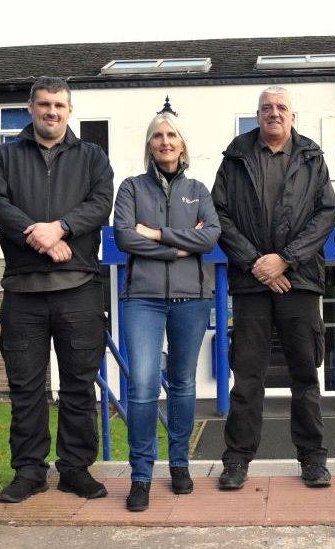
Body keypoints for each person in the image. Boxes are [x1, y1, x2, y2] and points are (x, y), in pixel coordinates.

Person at [0, 77, 114, 504]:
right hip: (23, 290)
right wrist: (34, 234)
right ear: (30, 108)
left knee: (79, 385)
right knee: (26, 387)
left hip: (79, 286)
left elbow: (100, 203)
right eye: (43, 105)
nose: (51, 112)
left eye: (59, 105)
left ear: (69, 110)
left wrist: (61, 227)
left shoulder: (93, 156)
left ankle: (76, 469)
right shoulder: (3, 156)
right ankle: (29, 471)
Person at [211, 86, 335, 490]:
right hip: (250, 285)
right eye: (267, 108)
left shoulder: (312, 157)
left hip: (299, 281)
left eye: (282, 107)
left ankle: (313, 459)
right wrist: (256, 263)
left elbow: (324, 214)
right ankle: (236, 461)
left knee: (305, 375)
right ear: (257, 115)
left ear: (293, 116)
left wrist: (285, 259)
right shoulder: (235, 157)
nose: (274, 113)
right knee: (247, 377)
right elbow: (220, 215)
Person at [113, 104, 220, 511]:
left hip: (191, 301)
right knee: (141, 386)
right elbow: (125, 237)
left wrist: (157, 234)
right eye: (158, 136)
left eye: (171, 136)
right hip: (142, 299)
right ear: (150, 144)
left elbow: (210, 236)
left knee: (182, 385)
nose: (165, 142)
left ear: (182, 144)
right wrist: (179, 246)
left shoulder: (199, 190)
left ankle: (179, 463)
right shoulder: (131, 188)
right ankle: (141, 473)